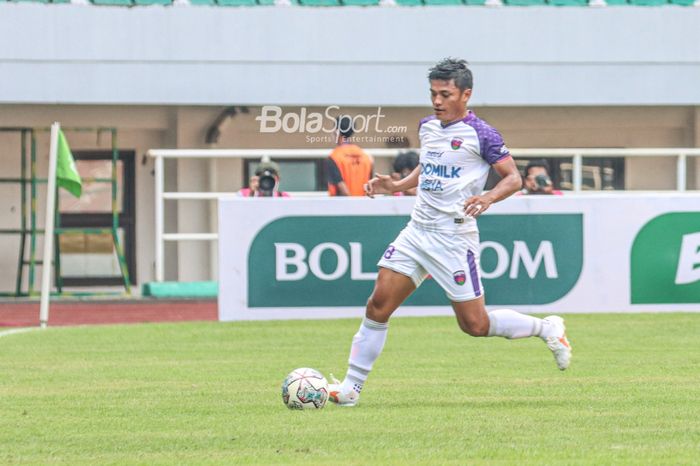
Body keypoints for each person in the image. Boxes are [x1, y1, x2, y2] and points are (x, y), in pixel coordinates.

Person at [328, 58, 572, 407]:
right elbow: (427, 169)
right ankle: (351, 389)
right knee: (378, 305)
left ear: (465, 94)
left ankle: (546, 328)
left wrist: (488, 197)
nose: (437, 101)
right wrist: (396, 185)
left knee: (474, 324)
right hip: (417, 231)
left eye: (445, 94)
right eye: (433, 94)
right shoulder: (427, 126)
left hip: (453, 238)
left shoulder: (482, 134)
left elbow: (514, 178)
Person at [327, 116, 374, 196]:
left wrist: (352, 206)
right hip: (364, 205)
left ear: (336, 132)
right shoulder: (367, 157)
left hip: (343, 206)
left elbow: (343, 188)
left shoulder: (334, 157)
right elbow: (370, 186)